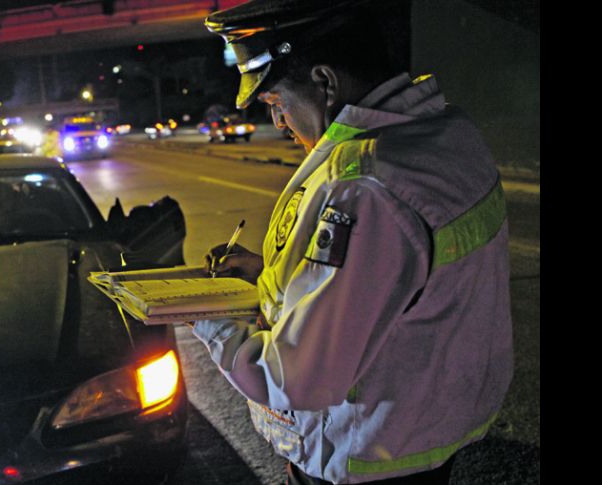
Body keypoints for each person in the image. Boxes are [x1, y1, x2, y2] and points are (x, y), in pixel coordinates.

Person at [194, 1, 513, 484]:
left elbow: (297, 378)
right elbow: (393, 279)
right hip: (423, 430)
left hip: (364, 454)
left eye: (278, 102)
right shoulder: (447, 135)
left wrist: (208, 317)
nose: (279, 122)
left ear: (325, 82)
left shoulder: (364, 185)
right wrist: (270, 273)